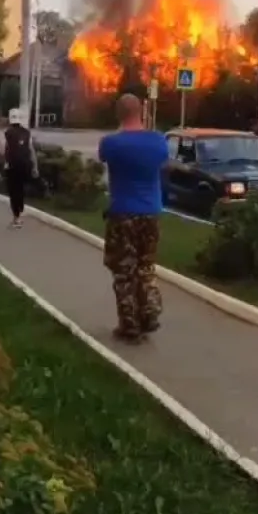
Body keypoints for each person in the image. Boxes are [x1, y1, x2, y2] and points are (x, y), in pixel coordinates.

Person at [99, 93, 169, 344]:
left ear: (118, 114)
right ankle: (149, 313)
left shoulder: (110, 143)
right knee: (145, 268)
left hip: (122, 214)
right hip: (151, 213)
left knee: (123, 271)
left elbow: (104, 159)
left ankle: (130, 326)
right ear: (142, 112)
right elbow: (161, 162)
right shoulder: (159, 142)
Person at [2, 108, 39, 229]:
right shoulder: (27, 133)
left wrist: (4, 161)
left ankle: (16, 217)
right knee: (21, 189)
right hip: (25, 165)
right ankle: (20, 212)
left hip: (11, 166)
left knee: (13, 191)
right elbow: (31, 150)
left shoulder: (7, 132)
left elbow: (3, 149)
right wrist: (35, 166)